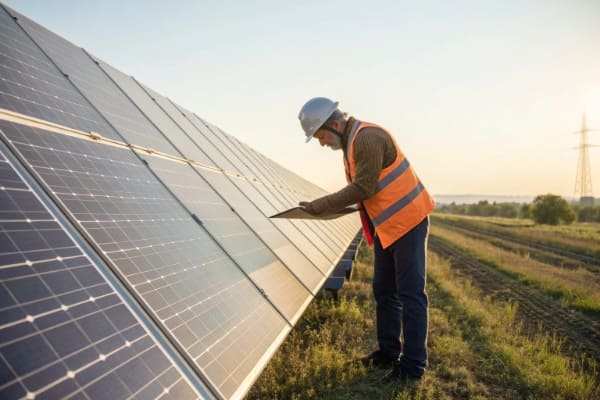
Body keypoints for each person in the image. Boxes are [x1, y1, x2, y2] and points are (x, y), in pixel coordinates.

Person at [297, 97, 435, 383]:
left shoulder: (367, 139)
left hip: (408, 223)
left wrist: (320, 205)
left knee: (410, 294)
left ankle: (412, 367)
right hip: (388, 226)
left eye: (321, 136)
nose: (322, 143)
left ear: (334, 125)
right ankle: (388, 352)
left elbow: (363, 187)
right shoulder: (350, 144)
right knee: (384, 291)